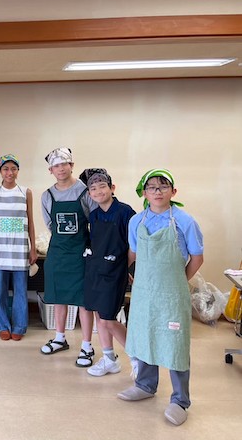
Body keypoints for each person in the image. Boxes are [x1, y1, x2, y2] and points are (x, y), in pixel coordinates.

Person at [118, 169, 203, 427]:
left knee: (175, 344)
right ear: (144, 193)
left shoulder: (184, 221)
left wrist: (178, 280)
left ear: (173, 192)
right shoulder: (137, 221)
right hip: (144, 293)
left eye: (163, 186)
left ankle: (180, 400)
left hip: (172, 295)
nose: (157, 191)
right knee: (145, 335)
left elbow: (197, 258)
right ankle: (144, 385)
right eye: (152, 187)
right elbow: (132, 254)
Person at [39, 147, 97, 367]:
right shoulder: (47, 195)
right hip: (58, 254)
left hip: (81, 253)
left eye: (65, 164)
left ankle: (86, 346)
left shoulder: (85, 191)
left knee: (83, 301)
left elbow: (94, 221)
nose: (61, 168)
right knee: (59, 297)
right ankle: (60, 338)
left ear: (72, 165)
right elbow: (51, 225)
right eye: (56, 165)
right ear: (50, 170)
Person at [79, 168, 136, 377]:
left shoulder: (125, 212)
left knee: (109, 319)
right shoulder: (93, 215)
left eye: (102, 186)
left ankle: (137, 359)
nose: (98, 191)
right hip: (95, 271)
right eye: (93, 188)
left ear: (112, 188)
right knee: (99, 316)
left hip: (115, 272)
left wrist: (124, 267)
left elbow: (135, 245)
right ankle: (109, 359)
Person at [0, 154, 37, 341]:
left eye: (13, 169)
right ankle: (1, 325)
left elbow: (30, 222)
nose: (10, 172)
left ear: (18, 171)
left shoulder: (26, 192)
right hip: (0, 250)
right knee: (0, 291)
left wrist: (33, 248)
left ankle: (20, 326)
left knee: (20, 291)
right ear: (0, 171)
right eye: (6, 169)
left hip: (20, 250)